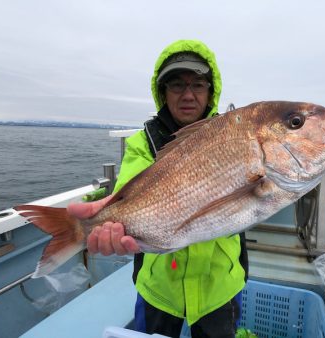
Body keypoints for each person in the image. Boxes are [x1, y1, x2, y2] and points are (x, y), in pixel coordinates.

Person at [68, 39, 248, 338]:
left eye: (198, 84)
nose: (188, 94)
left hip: (220, 284)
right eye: (177, 85)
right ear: (163, 92)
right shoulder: (143, 141)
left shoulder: (234, 134)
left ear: (211, 90)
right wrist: (110, 218)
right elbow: (129, 189)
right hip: (159, 287)